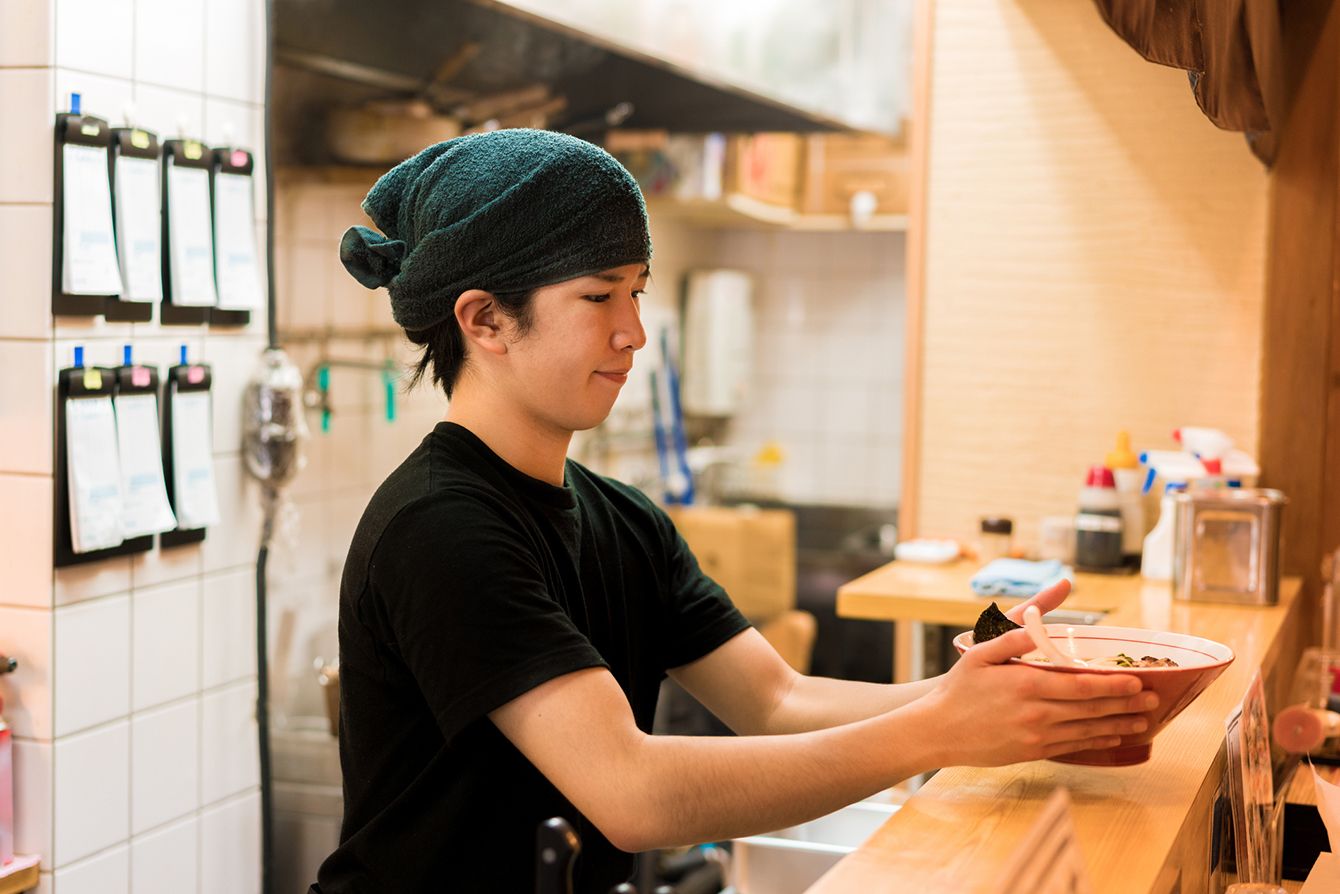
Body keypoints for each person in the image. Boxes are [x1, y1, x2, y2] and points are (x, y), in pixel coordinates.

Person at [311, 129, 1156, 894]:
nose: (634, 332)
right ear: (486, 320)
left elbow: (777, 701)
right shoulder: (442, 529)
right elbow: (631, 794)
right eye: (600, 297)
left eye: (637, 292)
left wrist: (983, 692)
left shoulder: (623, 519)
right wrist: (943, 731)